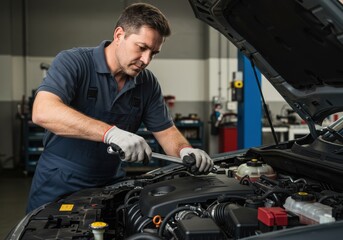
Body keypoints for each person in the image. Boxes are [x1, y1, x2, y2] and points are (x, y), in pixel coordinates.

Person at [26, 2, 213, 213]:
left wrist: (185, 150)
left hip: (111, 186)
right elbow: (43, 111)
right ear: (118, 35)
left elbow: (167, 131)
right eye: (141, 48)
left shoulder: (147, 83)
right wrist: (110, 133)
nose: (146, 60)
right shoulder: (73, 62)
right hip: (58, 182)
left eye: (153, 53)